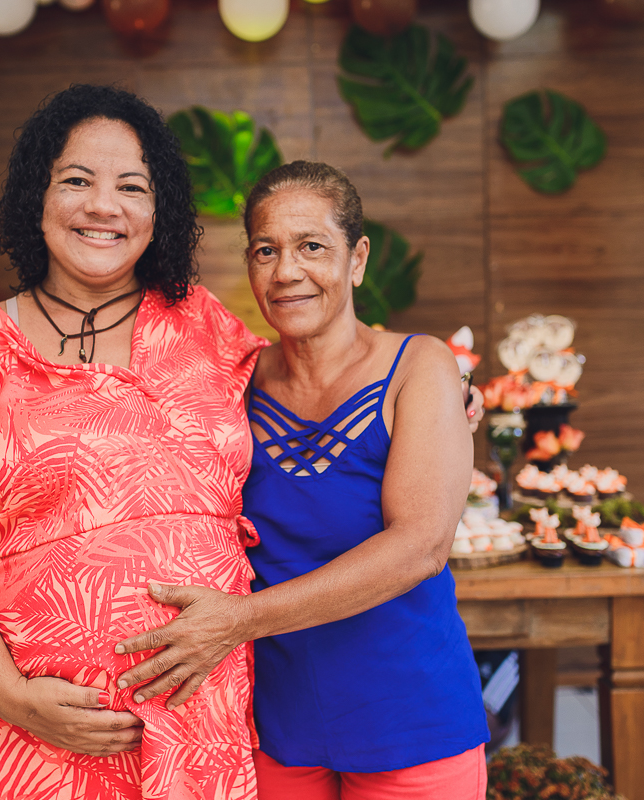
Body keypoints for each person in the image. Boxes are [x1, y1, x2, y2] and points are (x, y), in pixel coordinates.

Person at [0, 85, 268, 800]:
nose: (103, 205)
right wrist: (10, 695)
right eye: (77, 181)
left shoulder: (204, 325)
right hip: (21, 737)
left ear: (159, 210)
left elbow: (313, 393)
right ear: (38, 195)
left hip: (192, 732)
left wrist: (428, 391)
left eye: (131, 186)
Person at [115, 161, 490, 799]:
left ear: (357, 257)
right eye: (267, 251)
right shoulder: (234, 380)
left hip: (410, 716)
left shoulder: (417, 366)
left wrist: (236, 620)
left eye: (312, 246)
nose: (287, 271)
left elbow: (421, 546)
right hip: (275, 724)